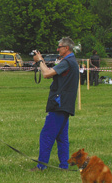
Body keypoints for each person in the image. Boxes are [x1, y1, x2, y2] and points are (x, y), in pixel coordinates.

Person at [31, 37, 79, 171]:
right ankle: (64, 165)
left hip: (59, 104)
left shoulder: (67, 62)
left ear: (66, 48)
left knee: (46, 135)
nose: (57, 49)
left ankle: (41, 166)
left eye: (59, 47)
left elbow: (46, 74)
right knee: (62, 137)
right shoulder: (70, 62)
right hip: (65, 105)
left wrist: (40, 61)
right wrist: (42, 62)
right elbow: (51, 73)